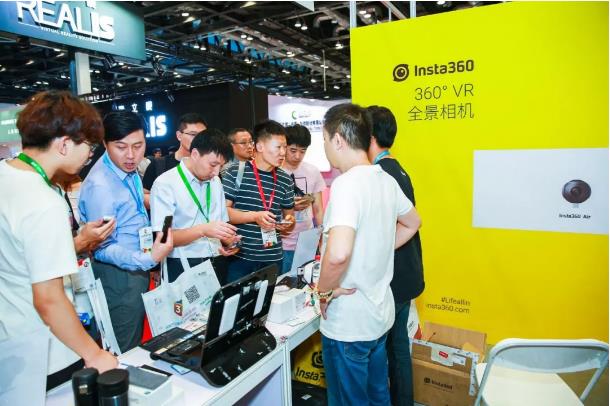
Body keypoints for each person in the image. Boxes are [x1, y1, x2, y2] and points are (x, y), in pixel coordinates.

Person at [0, 91, 117, 391]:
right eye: (89, 146)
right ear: (65, 144)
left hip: (10, 342)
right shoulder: (43, 200)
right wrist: (95, 354)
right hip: (48, 353)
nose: (89, 156)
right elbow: (49, 299)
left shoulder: (6, 175)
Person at [315, 103, 421, 405]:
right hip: (378, 315)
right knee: (378, 395)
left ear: (338, 140)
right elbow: (413, 222)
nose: (326, 148)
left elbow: (338, 254)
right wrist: (379, 247)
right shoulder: (385, 180)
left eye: (325, 140)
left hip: (349, 322)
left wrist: (322, 293)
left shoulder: (347, 185)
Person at [78, 111, 174, 352]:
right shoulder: (100, 186)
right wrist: (147, 259)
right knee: (125, 346)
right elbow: (101, 248)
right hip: (119, 275)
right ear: (105, 143)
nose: (131, 155)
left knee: (137, 335)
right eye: (121, 147)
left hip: (136, 264)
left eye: (138, 146)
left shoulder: (126, 170)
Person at [367, 105, 425, 406]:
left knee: (389, 349)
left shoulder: (382, 175)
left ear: (369, 136)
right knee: (398, 347)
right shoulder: (396, 168)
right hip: (406, 274)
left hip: (394, 278)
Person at [150, 129, 240, 284]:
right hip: (182, 264)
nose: (216, 172)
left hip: (217, 260)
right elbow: (164, 237)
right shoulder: (165, 184)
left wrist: (230, 242)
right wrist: (202, 230)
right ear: (195, 154)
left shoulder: (216, 182)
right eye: (213, 165)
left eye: (221, 166)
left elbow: (220, 223)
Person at [222, 120, 296, 282]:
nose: (283, 153)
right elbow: (223, 213)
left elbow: (290, 216)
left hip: (273, 259)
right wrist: (255, 217)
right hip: (241, 258)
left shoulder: (285, 179)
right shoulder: (236, 172)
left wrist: (287, 223)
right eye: (278, 147)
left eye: (285, 147)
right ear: (260, 146)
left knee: (270, 298)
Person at [280, 124, 326, 274]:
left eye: (303, 151)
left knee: (306, 282)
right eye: (293, 150)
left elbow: (318, 209)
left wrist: (322, 237)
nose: (297, 156)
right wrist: (289, 206)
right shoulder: (275, 171)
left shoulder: (312, 171)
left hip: (307, 241)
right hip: (282, 243)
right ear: (284, 147)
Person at [142, 113, 207, 206]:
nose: (199, 139)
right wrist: (171, 201)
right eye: (193, 134)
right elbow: (144, 197)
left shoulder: (209, 166)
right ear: (179, 135)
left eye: (203, 135)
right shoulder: (158, 165)